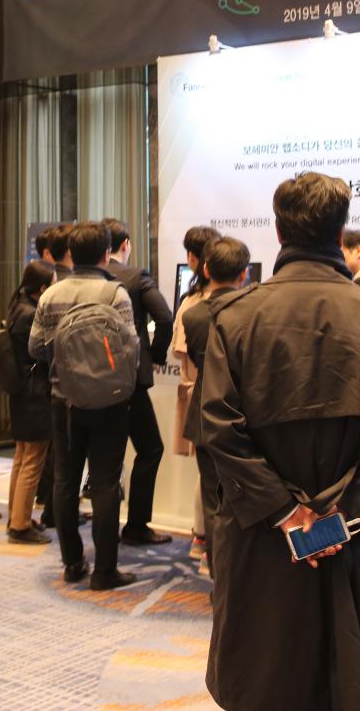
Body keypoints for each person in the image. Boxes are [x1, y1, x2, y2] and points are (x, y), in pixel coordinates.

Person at [198, 173, 360, 709]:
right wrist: (344, 510)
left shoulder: (235, 318)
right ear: (342, 232)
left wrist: (287, 512)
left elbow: (218, 426)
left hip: (265, 533)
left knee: (268, 673)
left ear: (278, 232)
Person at [29, 221, 141, 590]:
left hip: (64, 400)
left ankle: (72, 563)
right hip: (110, 402)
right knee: (105, 483)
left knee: (65, 481)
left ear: (71, 255)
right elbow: (131, 348)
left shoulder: (51, 295)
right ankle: (105, 571)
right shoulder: (115, 294)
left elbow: (35, 347)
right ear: (107, 254)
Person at [179, 234, 252, 578]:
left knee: (212, 496)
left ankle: (217, 570)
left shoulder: (193, 316)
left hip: (205, 413)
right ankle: (242, 570)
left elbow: (197, 362)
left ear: (206, 270)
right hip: (245, 414)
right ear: (244, 274)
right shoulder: (253, 312)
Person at [99, 218, 174, 546]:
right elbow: (165, 317)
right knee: (151, 448)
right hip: (129, 379)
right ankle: (136, 525)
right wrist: (155, 356)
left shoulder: (84, 279)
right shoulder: (135, 276)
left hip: (90, 380)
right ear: (125, 244)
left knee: (105, 457)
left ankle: (101, 535)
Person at [171, 225, 222, 562]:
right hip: (227, 398)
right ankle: (207, 543)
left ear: (194, 259)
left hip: (199, 396)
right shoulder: (240, 303)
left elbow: (180, 351)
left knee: (207, 474)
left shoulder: (190, 305)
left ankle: (203, 540)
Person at [2, 260, 56, 543]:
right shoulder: (31, 314)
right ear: (44, 288)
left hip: (21, 392)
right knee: (33, 460)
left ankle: (17, 516)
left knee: (22, 458)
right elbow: (42, 353)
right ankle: (20, 525)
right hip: (35, 394)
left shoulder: (16, 306)